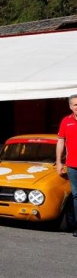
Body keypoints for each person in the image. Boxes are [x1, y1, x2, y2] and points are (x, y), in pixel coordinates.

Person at [56, 94, 77, 237]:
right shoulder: (66, 121)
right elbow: (61, 142)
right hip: (72, 165)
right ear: (70, 106)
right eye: (75, 104)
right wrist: (58, 161)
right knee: (76, 196)